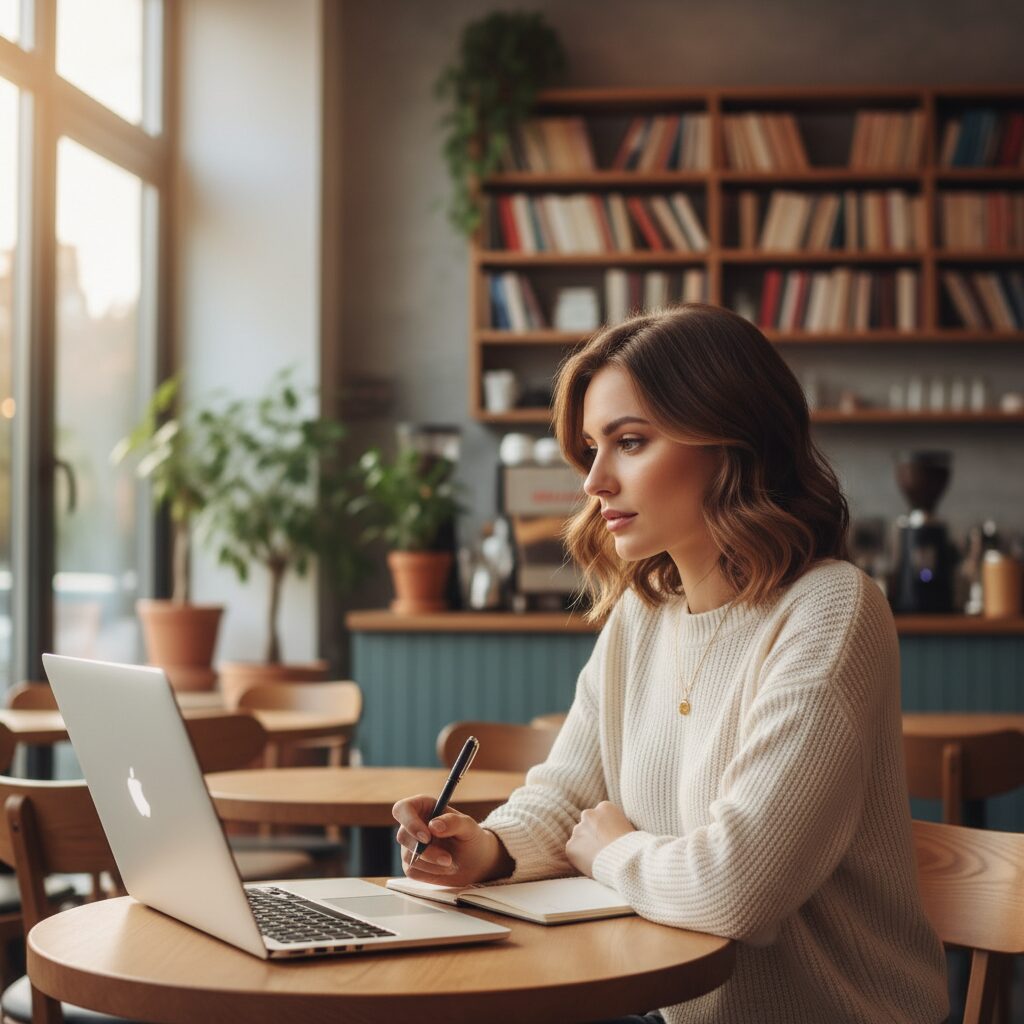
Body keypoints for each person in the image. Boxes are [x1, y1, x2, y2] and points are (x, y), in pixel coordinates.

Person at [392, 305, 949, 1023]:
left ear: (733, 443)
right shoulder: (643, 613)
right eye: (592, 448)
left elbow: (736, 888)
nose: (594, 481)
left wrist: (613, 853)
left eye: (629, 442)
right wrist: (489, 848)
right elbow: (567, 794)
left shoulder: (830, 610)